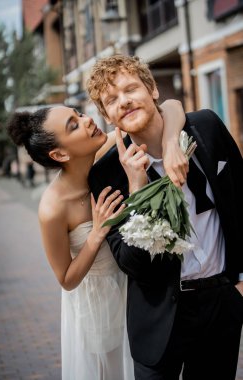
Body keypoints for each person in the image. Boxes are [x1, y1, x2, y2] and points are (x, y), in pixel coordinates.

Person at [87, 54, 243, 380]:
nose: (124, 101)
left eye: (130, 89)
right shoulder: (106, 174)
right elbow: (133, 264)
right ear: (106, 115)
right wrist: (137, 189)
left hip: (222, 303)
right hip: (160, 320)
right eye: (111, 100)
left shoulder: (207, 127)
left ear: (153, 89)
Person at [6, 100, 187, 380]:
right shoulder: (53, 207)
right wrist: (96, 234)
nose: (87, 120)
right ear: (60, 154)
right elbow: (66, 278)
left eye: (78, 114)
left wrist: (173, 141)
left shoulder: (107, 149)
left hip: (134, 292)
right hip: (96, 311)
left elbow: (171, 107)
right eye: (74, 125)